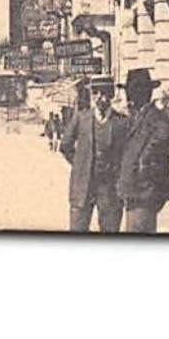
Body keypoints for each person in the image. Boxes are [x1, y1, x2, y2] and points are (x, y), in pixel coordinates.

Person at [59, 76, 128, 233]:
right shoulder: (81, 118)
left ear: (111, 96)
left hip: (109, 189)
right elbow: (65, 146)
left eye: (105, 94)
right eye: (96, 93)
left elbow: (127, 153)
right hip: (83, 187)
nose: (100, 98)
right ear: (92, 94)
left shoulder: (122, 122)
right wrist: (80, 164)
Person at [117, 68, 169, 234]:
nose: (129, 96)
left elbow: (163, 137)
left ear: (143, 93)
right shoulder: (136, 115)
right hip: (134, 191)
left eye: (132, 91)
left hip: (144, 191)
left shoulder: (156, 116)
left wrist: (144, 160)